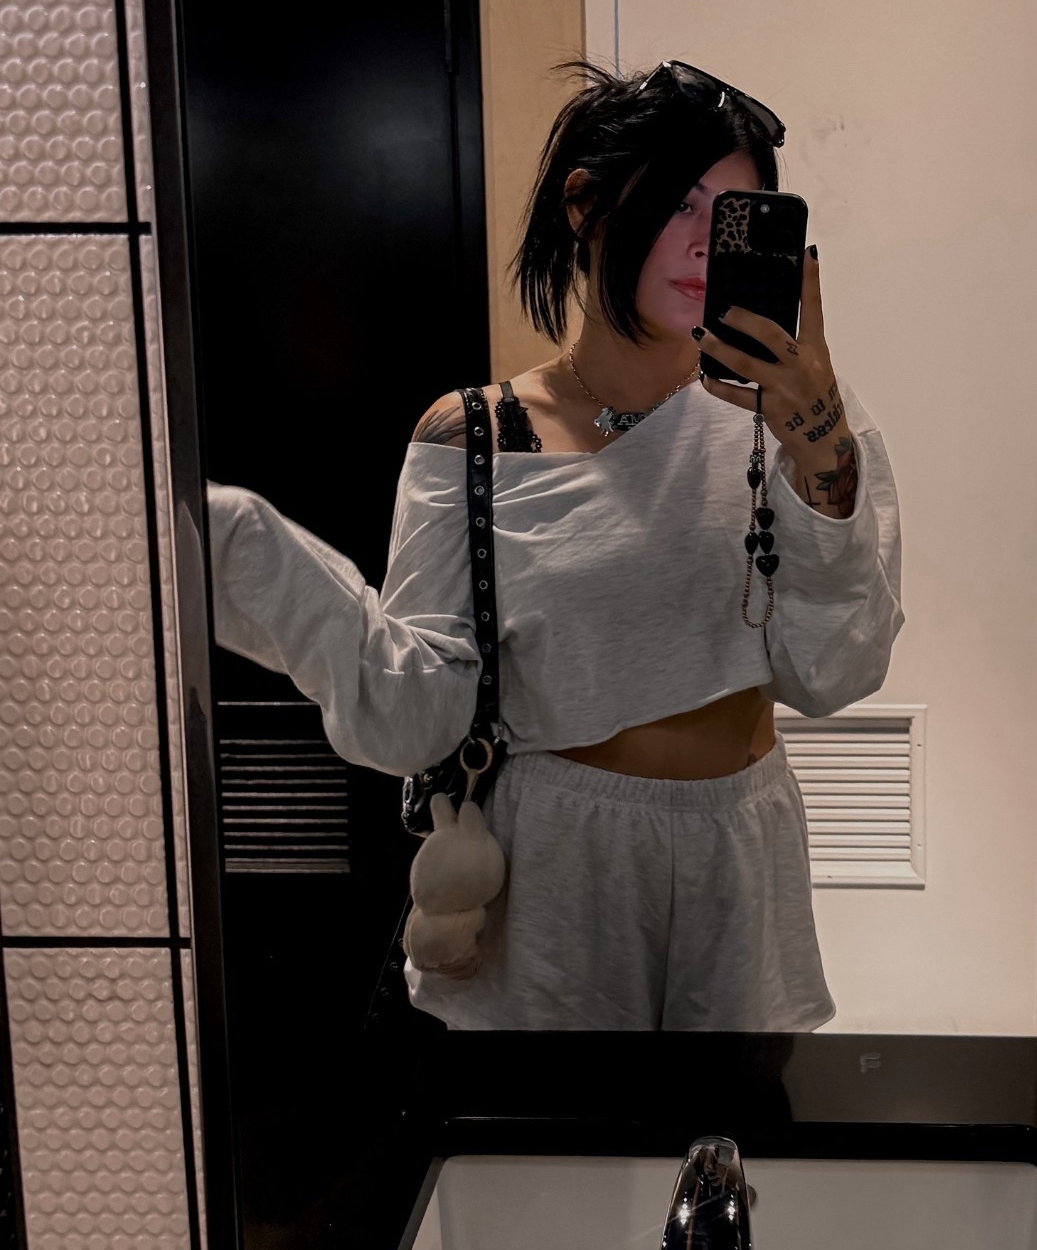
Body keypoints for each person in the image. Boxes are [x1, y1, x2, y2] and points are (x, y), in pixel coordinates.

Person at [205, 58, 903, 1030]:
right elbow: (416, 711)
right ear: (585, 205)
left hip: (740, 849)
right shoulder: (478, 436)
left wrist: (822, 455)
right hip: (559, 858)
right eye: (680, 202)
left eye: (735, 215)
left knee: (731, 1121)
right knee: (556, 1124)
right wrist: (238, 545)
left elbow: (835, 671)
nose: (705, 242)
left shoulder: (795, 416)